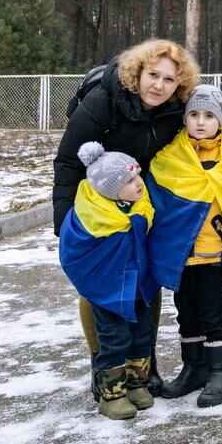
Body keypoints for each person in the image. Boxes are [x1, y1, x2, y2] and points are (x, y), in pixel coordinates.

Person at [52, 38, 200, 395]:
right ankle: (105, 366)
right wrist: (66, 221)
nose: (159, 86)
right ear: (138, 73)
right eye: (153, 75)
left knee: (145, 281)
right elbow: (69, 160)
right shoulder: (105, 100)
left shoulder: (174, 109)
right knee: (98, 284)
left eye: (169, 80)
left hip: (143, 203)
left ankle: (141, 364)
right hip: (98, 206)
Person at [146, 84, 222, 407]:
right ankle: (193, 368)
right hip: (183, 257)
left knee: (216, 315)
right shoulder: (171, 158)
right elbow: (163, 209)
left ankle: (221, 372)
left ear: (220, 120)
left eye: (209, 115)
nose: (200, 121)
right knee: (187, 314)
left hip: (216, 258)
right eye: (194, 114)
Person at [57, 143, 154, 420]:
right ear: (110, 189)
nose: (139, 184)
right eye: (130, 180)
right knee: (114, 338)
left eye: (138, 176)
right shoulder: (93, 217)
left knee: (142, 334)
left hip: (137, 285)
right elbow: (76, 253)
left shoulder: (138, 207)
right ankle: (111, 395)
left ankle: (136, 385)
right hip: (109, 289)